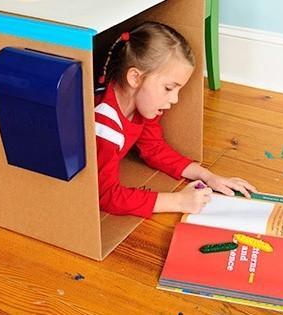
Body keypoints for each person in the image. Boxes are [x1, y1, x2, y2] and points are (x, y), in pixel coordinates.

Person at [95, 21, 256, 218]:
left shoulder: (144, 106)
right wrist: (178, 201)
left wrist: (208, 176)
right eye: (169, 88)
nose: (174, 99)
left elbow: (154, 149)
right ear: (135, 78)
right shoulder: (104, 126)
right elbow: (106, 195)